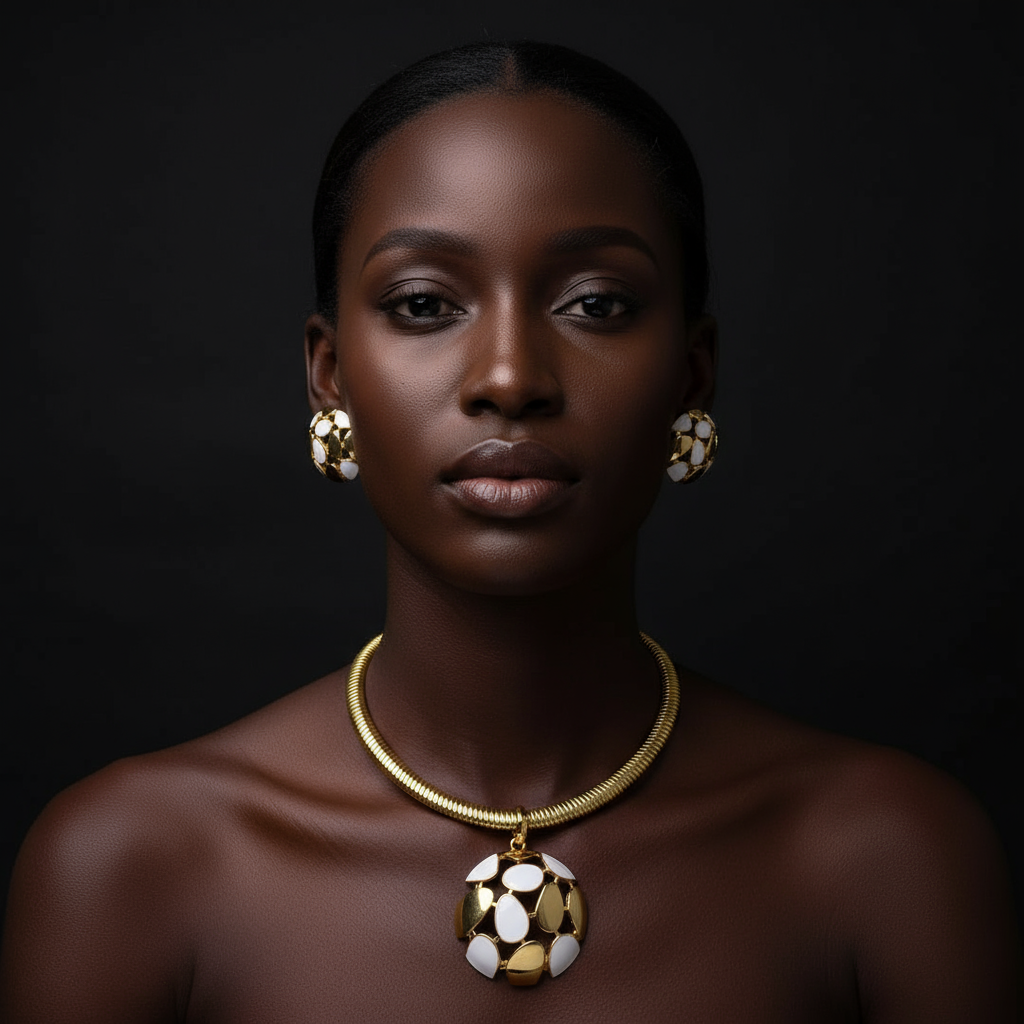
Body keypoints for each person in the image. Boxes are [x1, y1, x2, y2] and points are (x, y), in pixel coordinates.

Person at [0, 39, 1018, 1023]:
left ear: (691, 376)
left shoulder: (885, 860)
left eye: (596, 303)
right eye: (423, 303)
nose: (509, 377)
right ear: (329, 375)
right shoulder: (134, 867)